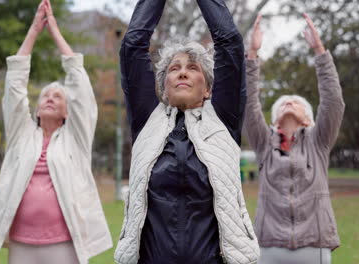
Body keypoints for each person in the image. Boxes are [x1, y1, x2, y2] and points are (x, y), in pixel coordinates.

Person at [114, 0, 259, 263]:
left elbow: (229, 43)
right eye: (174, 69)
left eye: (193, 68)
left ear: (208, 89)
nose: (182, 73)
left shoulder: (223, 119)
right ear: (163, 87)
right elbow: (132, 46)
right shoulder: (148, 121)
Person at [0, 1, 112, 263]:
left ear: (67, 112)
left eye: (58, 96)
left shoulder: (77, 138)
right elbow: (15, 86)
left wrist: (55, 33)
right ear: (37, 111)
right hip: (21, 244)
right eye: (45, 96)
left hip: (63, 243)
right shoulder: (22, 134)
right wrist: (33, 31)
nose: (50, 98)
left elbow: (80, 86)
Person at [244, 14, 345, 264]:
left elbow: (333, 101)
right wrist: (252, 54)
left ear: (309, 120)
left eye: (296, 102)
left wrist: (319, 50)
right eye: (283, 103)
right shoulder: (264, 144)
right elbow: (248, 104)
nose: (289, 102)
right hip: (268, 247)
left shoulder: (318, 142)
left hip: (314, 246)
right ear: (274, 120)